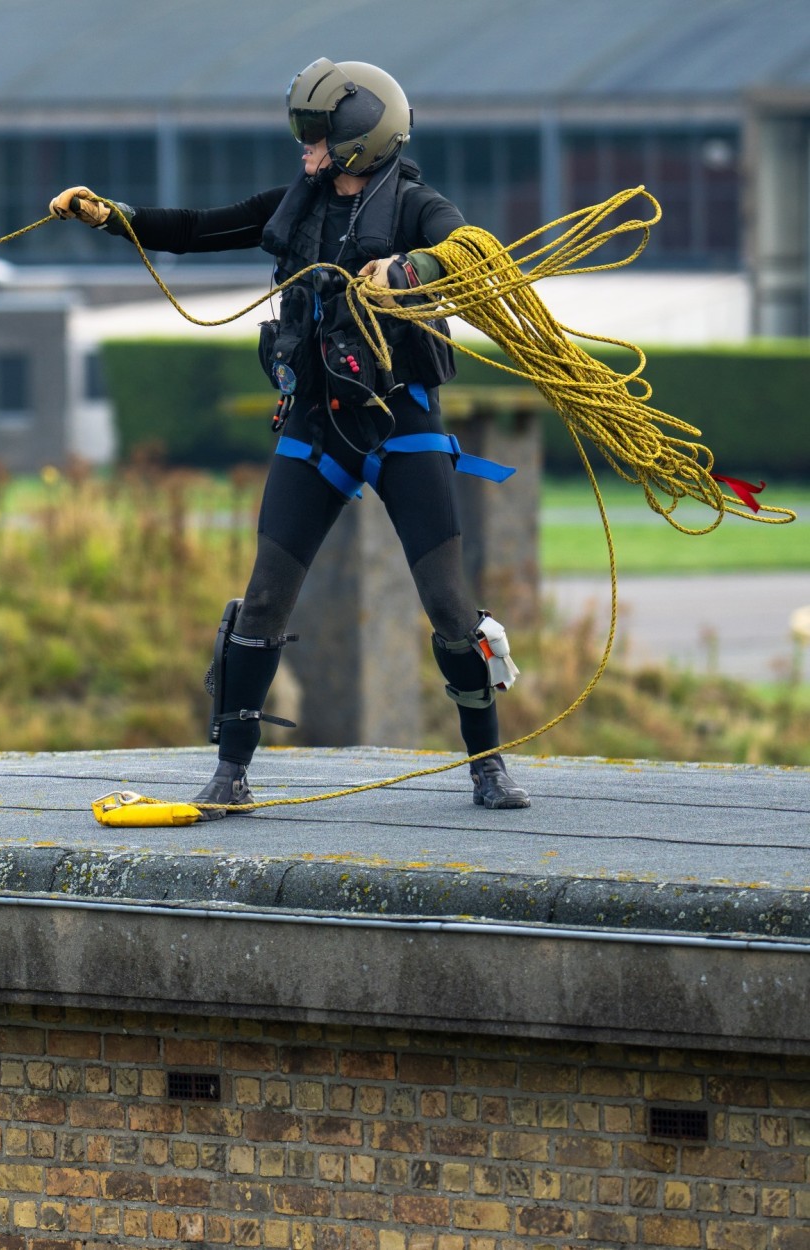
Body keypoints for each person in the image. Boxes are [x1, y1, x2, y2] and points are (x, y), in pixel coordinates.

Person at [50, 57, 530, 816]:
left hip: (401, 423)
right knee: (264, 599)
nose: (304, 150)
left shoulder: (417, 206)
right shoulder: (295, 207)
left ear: (362, 142)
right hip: (313, 426)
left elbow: (473, 250)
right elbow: (195, 230)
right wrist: (112, 216)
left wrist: (412, 268)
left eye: (317, 137)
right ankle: (230, 772)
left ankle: (488, 767)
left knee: (446, 605)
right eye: (303, 135)